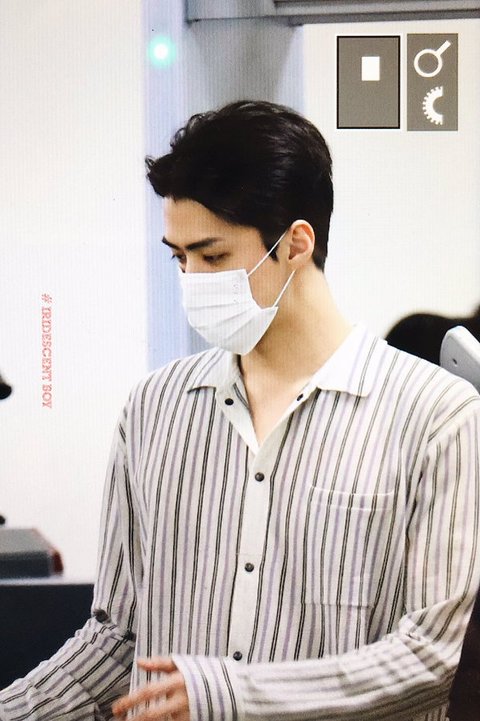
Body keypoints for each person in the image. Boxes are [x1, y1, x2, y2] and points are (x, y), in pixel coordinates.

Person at [1, 100, 479, 721]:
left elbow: (433, 657)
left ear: (296, 243)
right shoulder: (153, 410)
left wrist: (230, 694)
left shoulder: (437, 416)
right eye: (180, 257)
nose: (193, 279)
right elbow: (118, 640)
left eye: (214, 256)